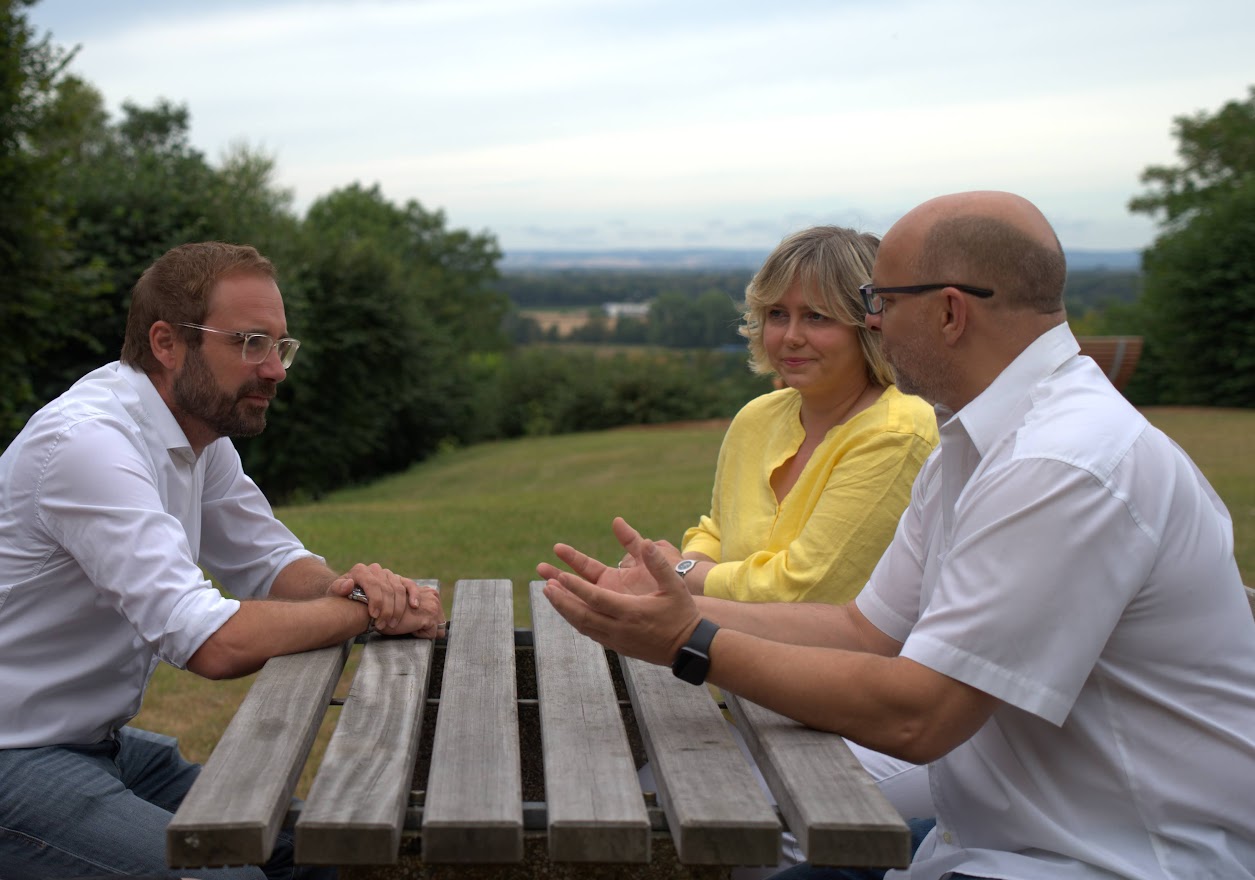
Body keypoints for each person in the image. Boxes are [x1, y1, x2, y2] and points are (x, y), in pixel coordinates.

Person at [539, 191, 1255, 879]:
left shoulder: (1061, 464)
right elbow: (863, 631)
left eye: (876, 302)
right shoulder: (975, 445)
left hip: (1110, 860)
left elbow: (920, 715)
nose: (871, 324)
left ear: (948, 311)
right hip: (994, 839)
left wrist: (685, 643)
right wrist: (664, 605)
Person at [0, 242, 445, 880]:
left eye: (281, 346)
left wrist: (347, 587)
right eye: (249, 343)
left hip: (100, 747)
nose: (276, 371)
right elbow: (211, 643)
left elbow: (271, 562)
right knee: (225, 876)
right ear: (166, 342)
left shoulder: (198, 436)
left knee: (333, 851)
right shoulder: (88, 445)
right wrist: (361, 612)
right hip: (15, 756)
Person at [655, 226, 937, 606]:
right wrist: (675, 571)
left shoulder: (898, 432)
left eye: (816, 316)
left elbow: (804, 590)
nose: (790, 335)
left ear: (868, 325)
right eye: (776, 314)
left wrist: (680, 576)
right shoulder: (757, 417)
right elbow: (717, 531)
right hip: (730, 649)